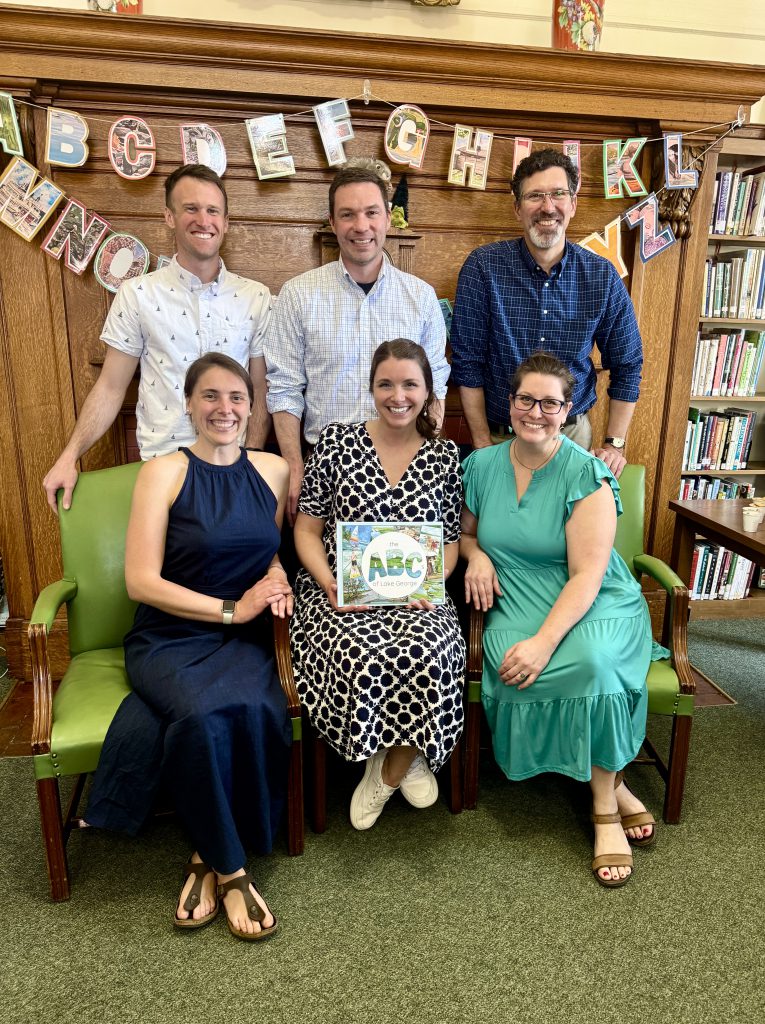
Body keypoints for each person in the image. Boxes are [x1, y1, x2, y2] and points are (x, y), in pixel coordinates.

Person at [84, 352, 293, 939]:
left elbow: (266, 548)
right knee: (201, 716)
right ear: (188, 403)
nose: (224, 408)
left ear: (251, 409)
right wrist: (230, 608)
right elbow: (140, 581)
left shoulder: (273, 471)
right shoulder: (163, 472)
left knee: (258, 708)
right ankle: (232, 870)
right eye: (210, 396)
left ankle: (203, 855)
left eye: (236, 398)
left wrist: (274, 577)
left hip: (247, 634)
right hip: (169, 634)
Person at [461, 351, 657, 888]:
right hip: (516, 591)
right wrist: (476, 555)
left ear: (567, 410)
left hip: (590, 596)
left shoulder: (586, 472)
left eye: (550, 402)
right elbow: (467, 532)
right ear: (510, 402)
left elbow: (588, 575)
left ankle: (603, 810)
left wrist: (546, 642)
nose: (536, 411)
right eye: (527, 399)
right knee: (508, 660)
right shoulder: (479, 466)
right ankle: (613, 778)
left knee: (592, 664)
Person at [290, 340, 465, 830]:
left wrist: (430, 584)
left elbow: (449, 541)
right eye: (386, 383)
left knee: (432, 650)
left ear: (428, 391)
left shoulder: (444, 456)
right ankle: (402, 755)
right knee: (361, 652)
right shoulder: (335, 443)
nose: (398, 395)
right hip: (337, 589)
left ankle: (387, 772)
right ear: (371, 388)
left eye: (410, 384)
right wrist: (329, 584)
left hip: (417, 593)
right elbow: (306, 531)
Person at [43, 163, 272, 512]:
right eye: (190, 208)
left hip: (233, 469)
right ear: (169, 216)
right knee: (159, 567)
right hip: (162, 467)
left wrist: (252, 461)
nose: (203, 220)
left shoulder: (256, 297)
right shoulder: (137, 294)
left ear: (225, 222)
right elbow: (110, 386)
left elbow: (259, 390)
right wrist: (70, 455)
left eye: (213, 211)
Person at [264, 166, 450, 523]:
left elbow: (435, 384)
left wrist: (427, 461)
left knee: (401, 573)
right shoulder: (298, 295)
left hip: (405, 467)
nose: (361, 226)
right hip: (326, 469)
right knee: (329, 574)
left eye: (371, 212)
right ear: (332, 223)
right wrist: (294, 465)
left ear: (388, 219)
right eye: (347, 214)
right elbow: (285, 388)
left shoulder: (421, 297)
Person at [450, 147, 643, 477]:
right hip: (499, 436)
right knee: (496, 528)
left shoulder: (602, 276)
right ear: (517, 208)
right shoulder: (483, 268)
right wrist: (481, 445)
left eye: (558, 194)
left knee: (567, 527)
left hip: (571, 435)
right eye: (534, 196)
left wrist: (614, 444)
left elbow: (627, 364)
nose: (547, 206)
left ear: (573, 204)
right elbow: (467, 363)